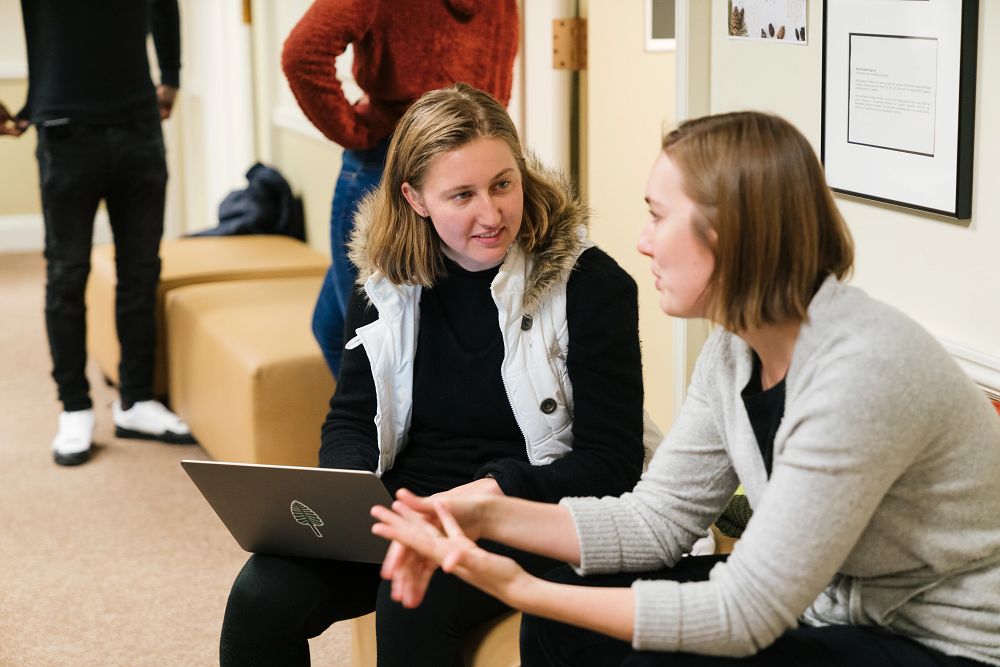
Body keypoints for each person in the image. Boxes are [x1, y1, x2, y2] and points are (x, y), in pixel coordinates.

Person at [371, 111, 1000, 666]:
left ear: (730, 233)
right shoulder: (735, 347)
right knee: (560, 630)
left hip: (946, 640)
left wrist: (519, 586)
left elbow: (745, 614)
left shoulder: (861, 373)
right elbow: (656, 520)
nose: (643, 242)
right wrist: (481, 512)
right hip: (837, 606)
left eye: (658, 216)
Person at [219, 83, 659, 666]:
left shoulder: (591, 286)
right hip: (406, 509)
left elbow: (611, 463)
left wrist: (482, 497)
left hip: (525, 510)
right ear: (415, 198)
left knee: (412, 599)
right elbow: (351, 415)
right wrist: (350, 498)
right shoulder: (380, 280)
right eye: (462, 195)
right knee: (260, 595)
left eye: (504, 183)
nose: (492, 213)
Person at [1, 0, 193, 467]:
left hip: (139, 125)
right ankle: (74, 406)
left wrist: (170, 73)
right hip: (65, 131)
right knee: (67, 276)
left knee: (141, 270)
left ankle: (136, 400)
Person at [282, 0, 519, 377]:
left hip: (391, 161)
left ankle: (381, 434)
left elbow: (301, 53)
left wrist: (356, 130)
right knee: (334, 326)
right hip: (472, 154)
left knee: (376, 352)